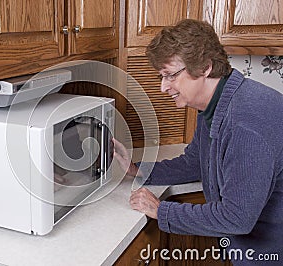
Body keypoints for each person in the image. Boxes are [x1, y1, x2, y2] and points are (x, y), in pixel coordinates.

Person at [113, 19, 283, 265]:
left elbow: (237, 218)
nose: (163, 87)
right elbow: (195, 162)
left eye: (170, 75)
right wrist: (138, 169)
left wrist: (162, 211)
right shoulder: (217, 103)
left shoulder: (245, 122)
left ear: (204, 67)